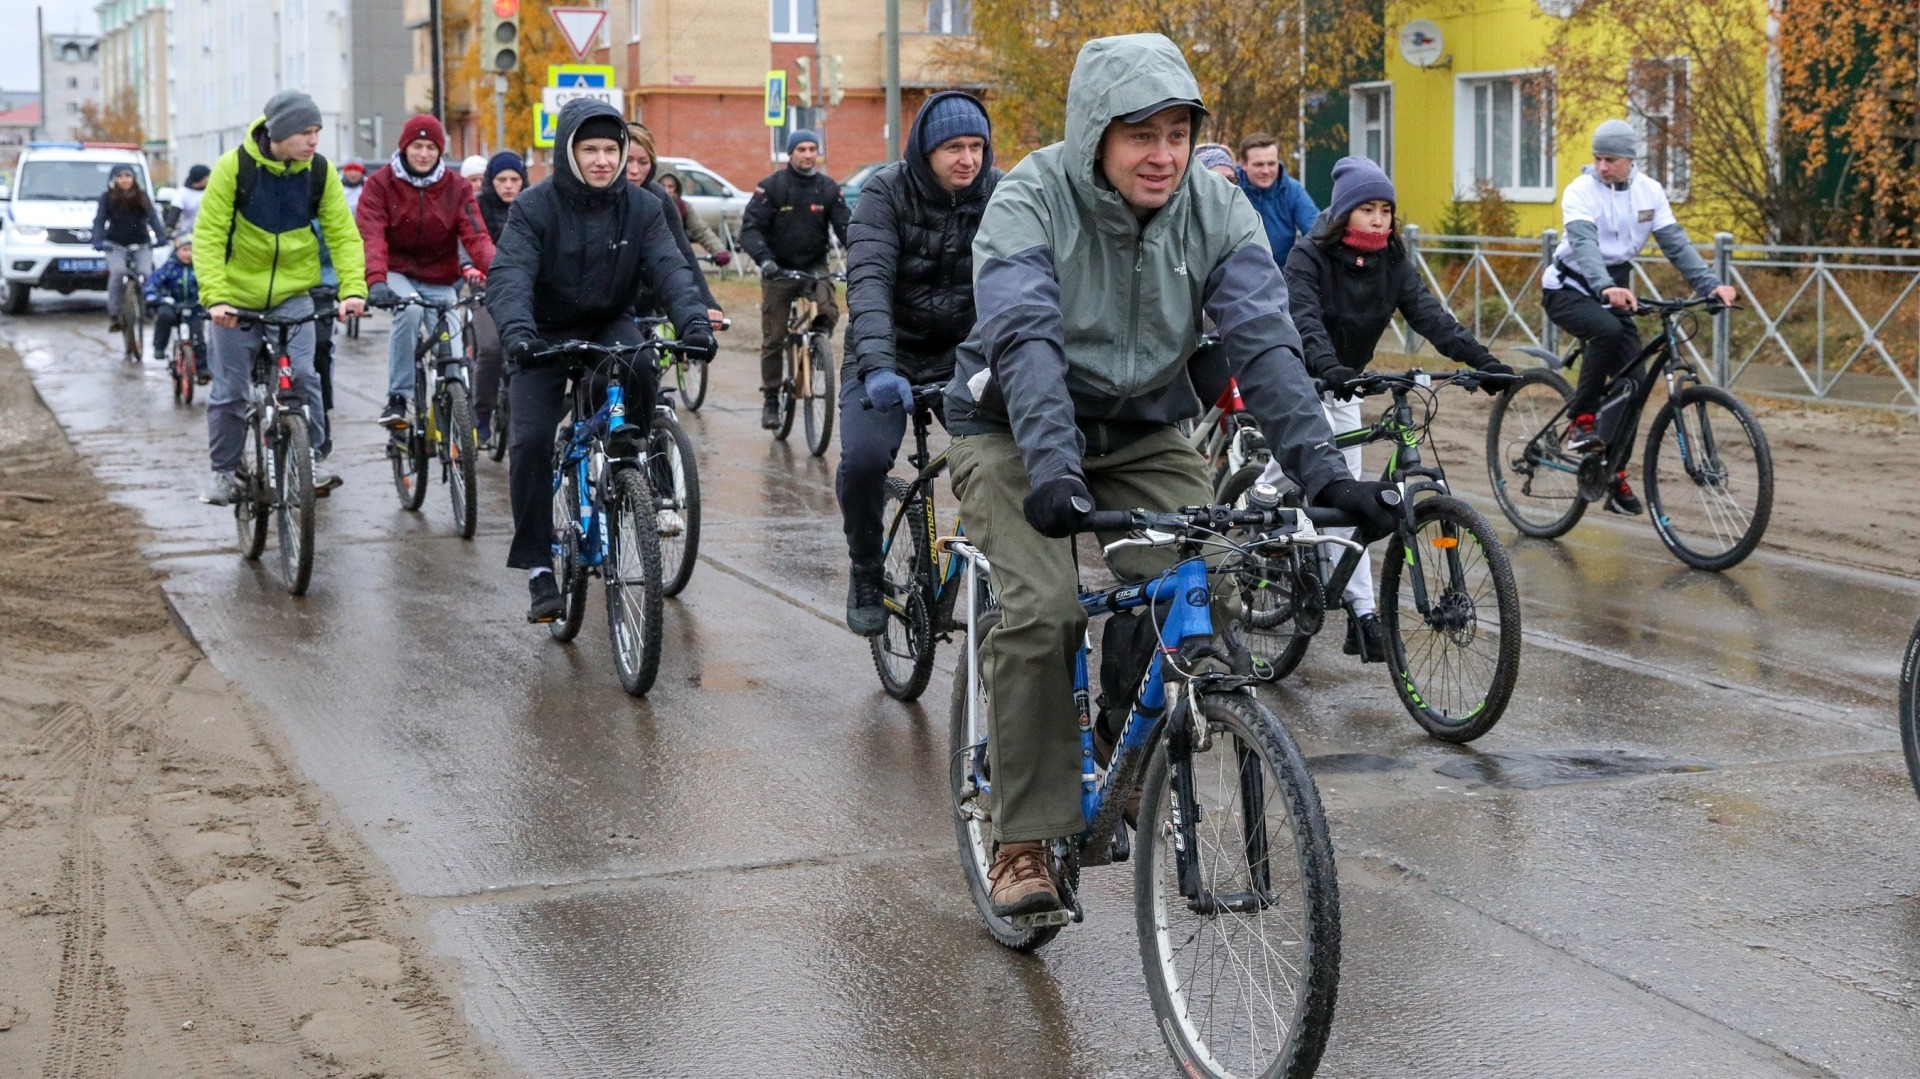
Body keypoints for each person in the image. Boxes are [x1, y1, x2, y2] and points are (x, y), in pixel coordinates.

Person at [942, 33, 1397, 917]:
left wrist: (1322, 474)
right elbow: (1026, 338)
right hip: (1013, 425)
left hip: (1145, 426)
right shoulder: (1029, 199)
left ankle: (1121, 728)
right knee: (1044, 608)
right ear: (1094, 137)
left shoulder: (1216, 211)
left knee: (1211, 579)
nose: (1163, 155)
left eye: (1178, 134)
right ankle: (1024, 836)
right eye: (1140, 135)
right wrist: (1053, 465)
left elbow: (1265, 342)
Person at [1269, 156, 1513, 661]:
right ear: (1343, 214)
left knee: (1344, 496)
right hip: (1297, 376)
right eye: (1367, 209)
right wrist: (1329, 368)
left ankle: (1361, 612)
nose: (1379, 219)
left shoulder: (1393, 261)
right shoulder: (1307, 256)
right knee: (1280, 476)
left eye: (1386, 209)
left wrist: (1483, 362)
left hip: (1344, 384)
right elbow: (1305, 320)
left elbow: (1430, 316)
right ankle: (1250, 522)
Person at [486, 99, 716, 623]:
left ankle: (629, 458)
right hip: (541, 332)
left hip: (608, 320)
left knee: (641, 363)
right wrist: (519, 335)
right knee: (530, 441)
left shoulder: (642, 206)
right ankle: (539, 566)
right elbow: (511, 275)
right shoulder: (533, 207)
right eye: (589, 149)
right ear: (569, 151)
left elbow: (671, 268)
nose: (601, 160)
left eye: (611, 149)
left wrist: (695, 322)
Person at [838, 91, 999, 635]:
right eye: (954, 147)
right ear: (925, 151)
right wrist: (880, 366)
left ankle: (999, 567)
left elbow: (1020, 280)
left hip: (963, 357)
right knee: (863, 459)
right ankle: (864, 568)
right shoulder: (885, 192)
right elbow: (868, 283)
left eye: (977, 147)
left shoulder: (999, 194)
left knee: (1008, 459)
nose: (968, 159)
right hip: (885, 353)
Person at [1541, 119, 1736, 515]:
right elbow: (1583, 243)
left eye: (1610, 159)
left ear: (1631, 159)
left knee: (1633, 382)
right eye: (1597, 158)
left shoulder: (1650, 192)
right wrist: (1603, 287)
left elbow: (1675, 244)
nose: (1602, 166)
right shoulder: (1581, 190)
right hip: (1570, 286)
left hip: (1617, 288)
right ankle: (1582, 419)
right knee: (1607, 331)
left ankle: (1613, 474)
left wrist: (1711, 285)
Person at [193, 89, 367, 505]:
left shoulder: (319, 172)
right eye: (305, 132)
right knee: (231, 390)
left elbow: (343, 235)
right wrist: (216, 298)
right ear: (280, 133)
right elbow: (209, 237)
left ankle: (314, 457)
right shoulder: (234, 169)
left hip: (293, 295)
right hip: (235, 300)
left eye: (317, 132)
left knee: (306, 377)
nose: (313, 141)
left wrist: (353, 290)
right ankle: (224, 472)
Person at [355, 114, 493, 429]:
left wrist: (499, 271)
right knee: (411, 308)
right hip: (397, 271)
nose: (423, 154)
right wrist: (376, 281)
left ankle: (456, 396)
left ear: (439, 151)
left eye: (431, 147)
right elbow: (372, 236)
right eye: (417, 146)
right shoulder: (381, 184)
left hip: (441, 275)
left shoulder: (456, 187)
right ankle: (399, 398)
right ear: (404, 148)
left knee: (451, 339)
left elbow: (476, 235)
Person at [740, 129, 849, 428]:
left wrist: (864, 255)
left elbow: (846, 228)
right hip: (779, 269)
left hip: (813, 267)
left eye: (813, 149)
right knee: (774, 338)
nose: (808, 154)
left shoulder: (827, 188)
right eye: (801, 149)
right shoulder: (772, 187)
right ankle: (772, 399)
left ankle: (816, 349)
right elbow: (749, 229)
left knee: (827, 311)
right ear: (790, 153)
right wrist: (765, 260)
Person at [624, 123, 726, 327]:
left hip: (649, 300)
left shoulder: (659, 197)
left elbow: (683, 251)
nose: (635, 171)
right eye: (628, 161)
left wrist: (707, 302)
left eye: (643, 162)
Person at [471, 150, 526, 445]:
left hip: (524, 292)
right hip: (485, 289)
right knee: (491, 349)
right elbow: (465, 239)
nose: (508, 185)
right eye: (501, 179)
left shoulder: (532, 205)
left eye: (514, 179)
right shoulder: (477, 205)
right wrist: (469, 267)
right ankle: (481, 416)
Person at [92, 164, 166, 334]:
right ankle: (115, 314)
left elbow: (153, 218)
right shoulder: (107, 197)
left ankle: (149, 308)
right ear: (114, 180)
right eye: (120, 176)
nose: (124, 179)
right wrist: (97, 239)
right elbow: (99, 220)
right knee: (117, 273)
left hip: (141, 243)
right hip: (115, 243)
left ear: (133, 178)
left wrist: (161, 237)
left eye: (128, 175)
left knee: (146, 272)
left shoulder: (142, 196)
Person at [1236, 132, 1318, 265]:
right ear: (1244, 164)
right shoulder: (1232, 190)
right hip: (1238, 275)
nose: (1266, 171)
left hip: (1281, 276)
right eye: (1259, 165)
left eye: (1271, 164)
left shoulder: (1292, 190)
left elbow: (1316, 232)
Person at [143, 235, 206, 377]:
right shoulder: (169, 267)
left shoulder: (201, 269)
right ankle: (159, 347)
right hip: (172, 304)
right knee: (164, 317)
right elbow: (153, 282)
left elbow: (210, 284)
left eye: (192, 250)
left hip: (193, 306)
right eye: (184, 250)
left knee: (198, 337)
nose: (188, 254)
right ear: (176, 251)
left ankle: (202, 368)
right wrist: (152, 295)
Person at [655, 169, 731, 263]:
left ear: (677, 189)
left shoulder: (683, 207)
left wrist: (719, 250)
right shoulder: (647, 204)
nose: (666, 190)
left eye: (671, 186)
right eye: (662, 185)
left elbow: (700, 230)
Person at [170, 164, 211, 234]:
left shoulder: (211, 191)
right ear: (202, 179)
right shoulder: (183, 192)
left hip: (208, 232)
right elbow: (175, 212)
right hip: (188, 233)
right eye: (208, 176)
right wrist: (169, 228)